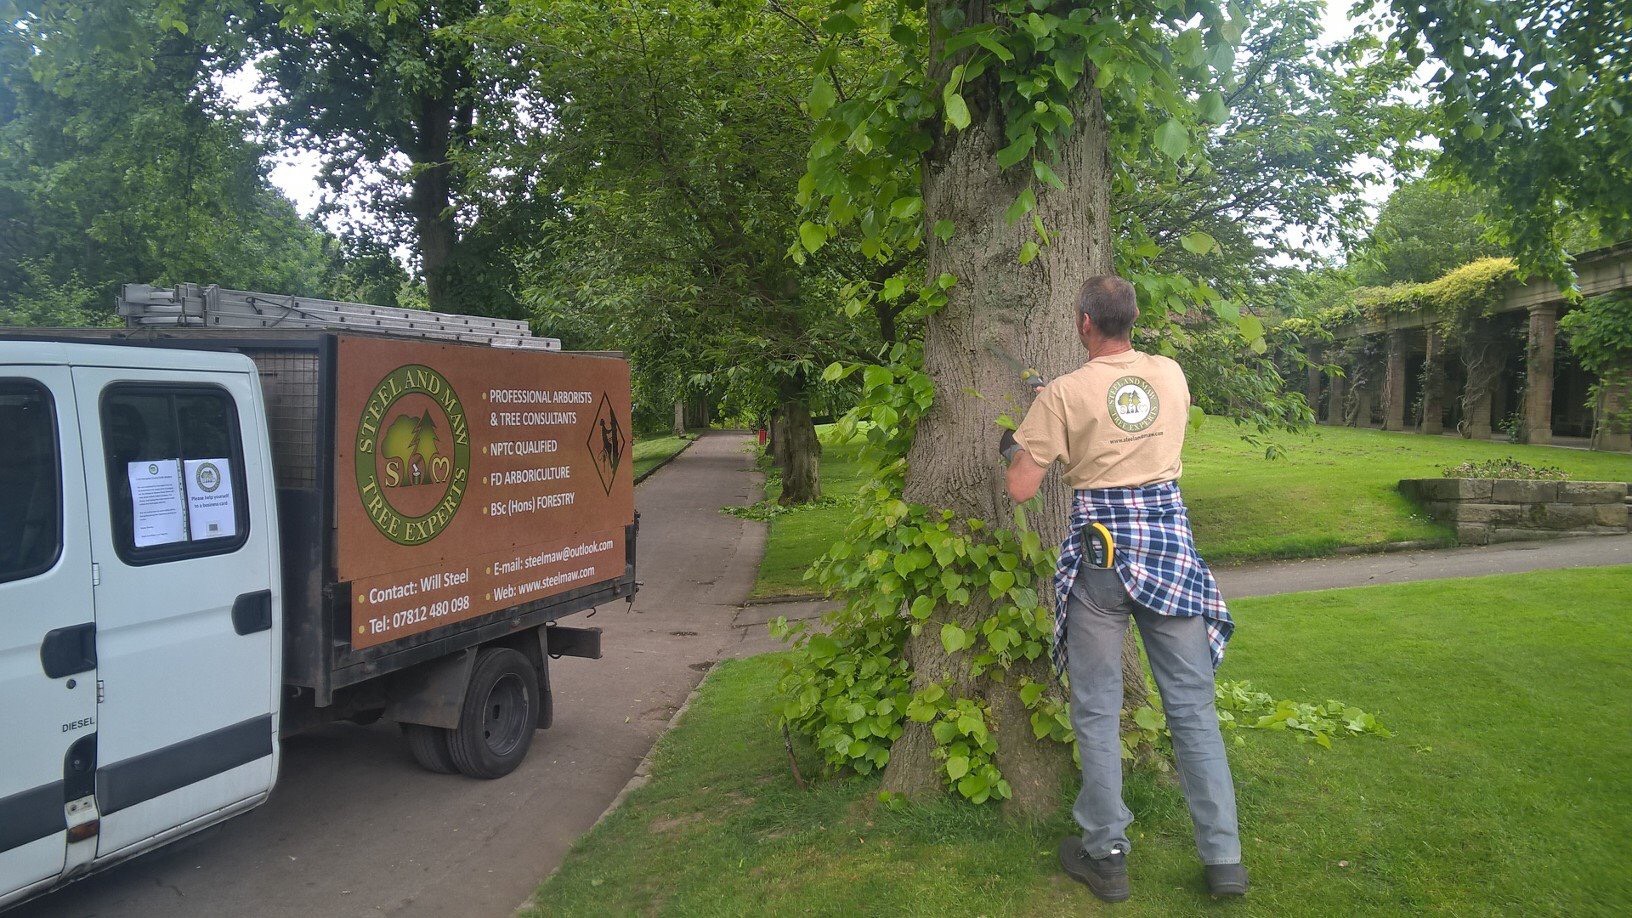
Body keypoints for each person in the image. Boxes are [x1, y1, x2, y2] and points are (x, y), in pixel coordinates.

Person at [999, 275, 1247, 902]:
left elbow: (1023, 487)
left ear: (1085, 322)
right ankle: (1224, 863)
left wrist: (1020, 441)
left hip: (1102, 561)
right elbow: (1132, 422)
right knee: (1192, 709)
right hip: (1169, 551)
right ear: (1132, 318)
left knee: (1098, 708)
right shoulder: (1170, 373)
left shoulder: (1062, 393)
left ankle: (1106, 856)